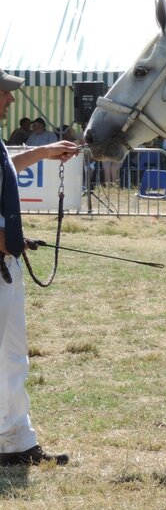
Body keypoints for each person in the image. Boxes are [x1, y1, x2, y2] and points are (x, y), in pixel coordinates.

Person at [0, 68, 79, 466]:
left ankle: (15, 442)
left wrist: (46, 153)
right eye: (5, 94)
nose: (11, 101)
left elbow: (9, 164)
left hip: (6, 265)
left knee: (12, 357)